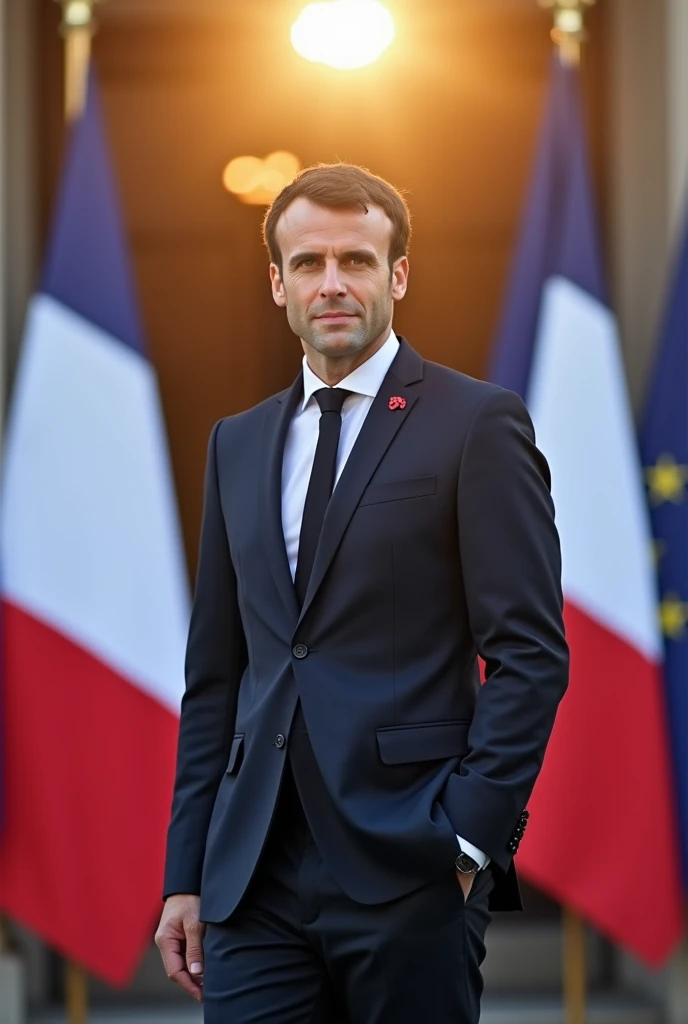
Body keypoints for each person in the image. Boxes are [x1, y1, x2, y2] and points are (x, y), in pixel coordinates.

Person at [156, 163, 569, 1023]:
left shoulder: (476, 423)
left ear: (399, 275)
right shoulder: (236, 443)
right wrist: (186, 875)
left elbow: (529, 655)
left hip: (410, 863)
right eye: (307, 263)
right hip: (252, 876)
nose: (332, 283)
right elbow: (217, 678)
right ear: (277, 282)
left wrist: (468, 841)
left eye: (357, 260)